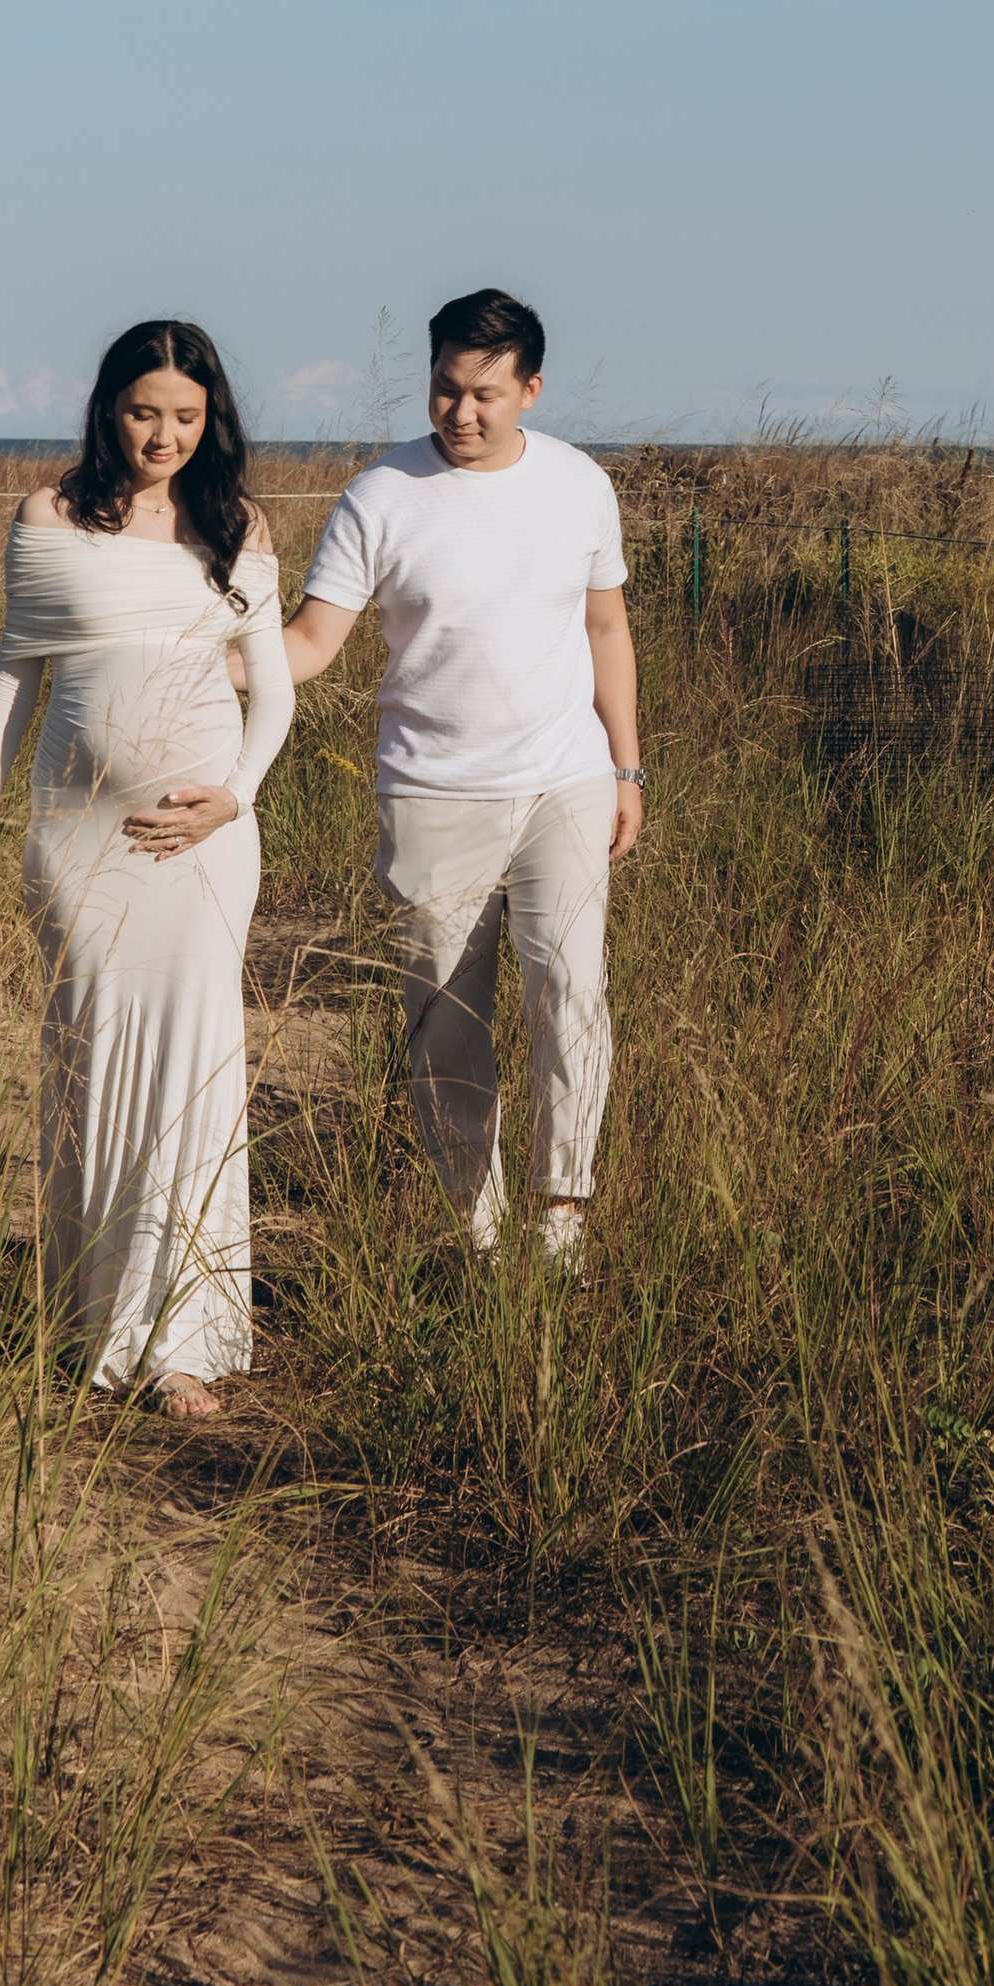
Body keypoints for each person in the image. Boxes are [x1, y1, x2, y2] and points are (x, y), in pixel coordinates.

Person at [0, 319, 293, 1418]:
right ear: (106, 408)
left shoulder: (238, 526)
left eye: (184, 415)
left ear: (209, 416)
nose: (162, 434)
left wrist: (236, 800)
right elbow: (12, 686)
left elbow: (273, 692)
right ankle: (89, 1314)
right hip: (79, 840)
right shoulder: (51, 516)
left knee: (194, 1068)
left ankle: (182, 1337)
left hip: (208, 842)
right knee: (93, 1056)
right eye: (142, 412)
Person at [283, 288, 641, 1269]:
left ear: (530, 389)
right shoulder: (380, 496)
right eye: (445, 390)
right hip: (432, 793)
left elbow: (606, 628)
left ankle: (560, 1217)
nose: (461, 413)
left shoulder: (579, 485)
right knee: (446, 1022)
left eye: (485, 393)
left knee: (571, 990)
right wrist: (201, 659)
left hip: (564, 781)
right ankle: (476, 1235)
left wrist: (626, 766)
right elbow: (313, 643)